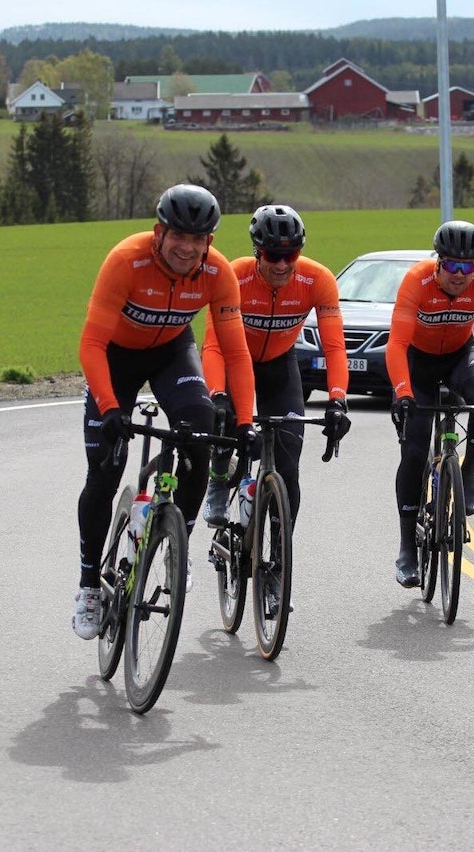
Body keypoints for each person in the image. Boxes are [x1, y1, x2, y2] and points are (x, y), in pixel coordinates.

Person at [73, 184, 257, 640]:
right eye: (179, 236)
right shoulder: (125, 260)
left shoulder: (217, 272)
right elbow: (91, 344)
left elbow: (235, 355)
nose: (187, 248)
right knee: (103, 473)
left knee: (199, 431)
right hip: (115, 356)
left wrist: (247, 420)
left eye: (198, 239)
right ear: (159, 233)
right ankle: (88, 587)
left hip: (172, 352)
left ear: (209, 243)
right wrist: (112, 408)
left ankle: (178, 545)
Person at [200, 203, 352, 531]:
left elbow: (335, 347)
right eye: (273, 256)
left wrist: (337, 400)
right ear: (257, 253)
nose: (283, 265)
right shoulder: (234, 276)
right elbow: (212, 345)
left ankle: (278, 561)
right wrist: (217, 394)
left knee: (288, 466)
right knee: (223, 422)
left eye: (291, 255)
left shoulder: (318, 279)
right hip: (230, 360)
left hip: (279, 364)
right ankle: (218, 477)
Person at [386, 220, 474, 588]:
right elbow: (395, 345)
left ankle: (470, 469)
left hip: (460, 355)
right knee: (413, 450)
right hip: (418, 362)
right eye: (452, 265)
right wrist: (403, 393)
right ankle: (407, 546)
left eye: (468, 266)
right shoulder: (416, 281)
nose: (460, 274)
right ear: (438, 262)